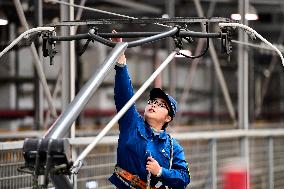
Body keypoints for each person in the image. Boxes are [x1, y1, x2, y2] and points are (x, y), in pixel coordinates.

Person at [108, 31, 190, 189]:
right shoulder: (131, 123)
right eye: (152, 101)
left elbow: (184, 178)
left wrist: (160, 172)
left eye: (161, 105)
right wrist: (120, 58)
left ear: (168, 118)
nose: (153, 104)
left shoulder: (173, 147)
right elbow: (125, 95)